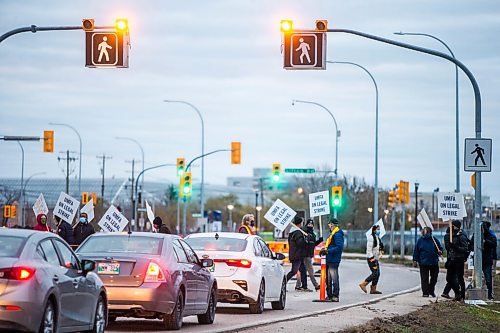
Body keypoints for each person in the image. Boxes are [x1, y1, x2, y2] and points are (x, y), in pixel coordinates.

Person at [470, 220, 497, 300]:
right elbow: (471, 245)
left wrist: (485, 242)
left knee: (488, 278)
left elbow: (494, 244)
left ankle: (489, 295)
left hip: (487, 260)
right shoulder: (476, 235)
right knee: (476, 278)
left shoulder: (490, 235)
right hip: (478, 260)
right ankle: (476, 293)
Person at [413, 227, 443, 297]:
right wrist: (415, 260)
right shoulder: (420, 241)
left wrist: (440, 251)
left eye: (426, 231)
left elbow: (440, 249)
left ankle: (431, 290)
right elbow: (416, 251)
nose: (424, 233)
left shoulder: (434, 240)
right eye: (424, 231)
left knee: (434, 277)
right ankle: (425, 292)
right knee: (424, 278)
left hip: (434, 262)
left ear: (430, 232)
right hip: (423, 262)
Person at [443, 220, 469, 301]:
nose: (451, 227)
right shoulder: (451, 235)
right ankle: (457, 292)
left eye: (452, 226)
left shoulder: (461, 236)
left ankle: (462, 296)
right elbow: (449, 249)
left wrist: (455, 247)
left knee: (460, 278)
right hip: (452, 259)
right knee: (449, 278)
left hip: (459, 260)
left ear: (456, 226)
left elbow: (465, 249)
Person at [320, 218, 344, 302]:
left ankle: (335, 295)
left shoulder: (337, 234)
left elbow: (339, 247)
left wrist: (328, 251)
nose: (329, 226)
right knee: (328, 279)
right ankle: (329, 295)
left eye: (329, 224)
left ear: (332, 225)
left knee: (334, 278)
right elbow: (330, 245)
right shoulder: (332, 234)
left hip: (334, 259)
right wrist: (324, 250)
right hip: (329, 259)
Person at [295, 219, 323, 291]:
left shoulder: (312, 234)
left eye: (311, 224)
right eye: (309, 224)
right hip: (305, 254)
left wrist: (319, 241)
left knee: (302, 271)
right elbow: (303, 243)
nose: (310, 225)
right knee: (310, 271)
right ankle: (316, 285)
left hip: (309, 254)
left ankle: (298, 285)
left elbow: (312, 244)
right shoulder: (303, 232)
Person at [286, 216, 309, 291]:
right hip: (297, 254)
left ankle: (304, 286)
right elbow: (300, 243)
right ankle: (282, 283)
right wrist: (306, 240)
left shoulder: (292, 231)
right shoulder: (297, 232)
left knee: (303, 270)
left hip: (295, 254)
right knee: (294, 271)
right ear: (299, 223)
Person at [359, 225, 384, 294]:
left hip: (375, 258)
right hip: (371, 259)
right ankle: (363, 284)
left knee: (377, 273)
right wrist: (372, 258)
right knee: (375, 273)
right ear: (374, 230)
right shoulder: (371, 237)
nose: (379, 231)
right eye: (378, 229)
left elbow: (378, 247)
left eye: (379, 229)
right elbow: (369, 250)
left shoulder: (377, 237)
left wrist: (380, 252)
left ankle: (373, 289)